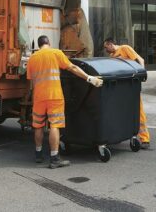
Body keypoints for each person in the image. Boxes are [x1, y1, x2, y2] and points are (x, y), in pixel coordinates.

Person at [27, 35, 103, 169]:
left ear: (39, 45)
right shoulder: (56, 53)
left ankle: (38, 154)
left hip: (39, 96)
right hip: (54, 95)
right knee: (54, 126)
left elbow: (31, 81)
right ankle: (54, 158)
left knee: (38, 126)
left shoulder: (32, 58)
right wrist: (88, 78)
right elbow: (72, 68)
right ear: (49, 43)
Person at [103, 37, 151, 149]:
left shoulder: (125, 48)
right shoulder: (112, 56)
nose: (106, 50)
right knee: (123, 111)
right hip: (123, 87)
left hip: (132, 84)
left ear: (111, 44)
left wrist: (140, 76)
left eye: (106, 47)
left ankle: (145, 139)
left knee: (138, 111)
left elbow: (139, 60)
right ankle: (122, 134)